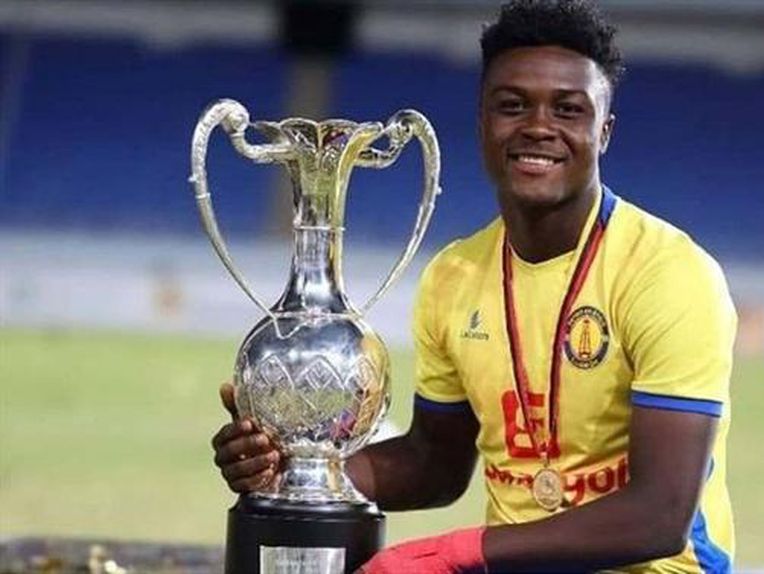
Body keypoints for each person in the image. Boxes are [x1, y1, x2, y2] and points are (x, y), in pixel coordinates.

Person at [212, 1, 737, 571]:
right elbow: (434, 464)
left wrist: (454, 555)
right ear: (483, 122)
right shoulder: (455, 275)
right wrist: (300, 471)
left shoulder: (668, 273)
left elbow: (659, 517)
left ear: (603, 131)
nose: (539, 126)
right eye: (513, 106)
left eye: (568, 109)